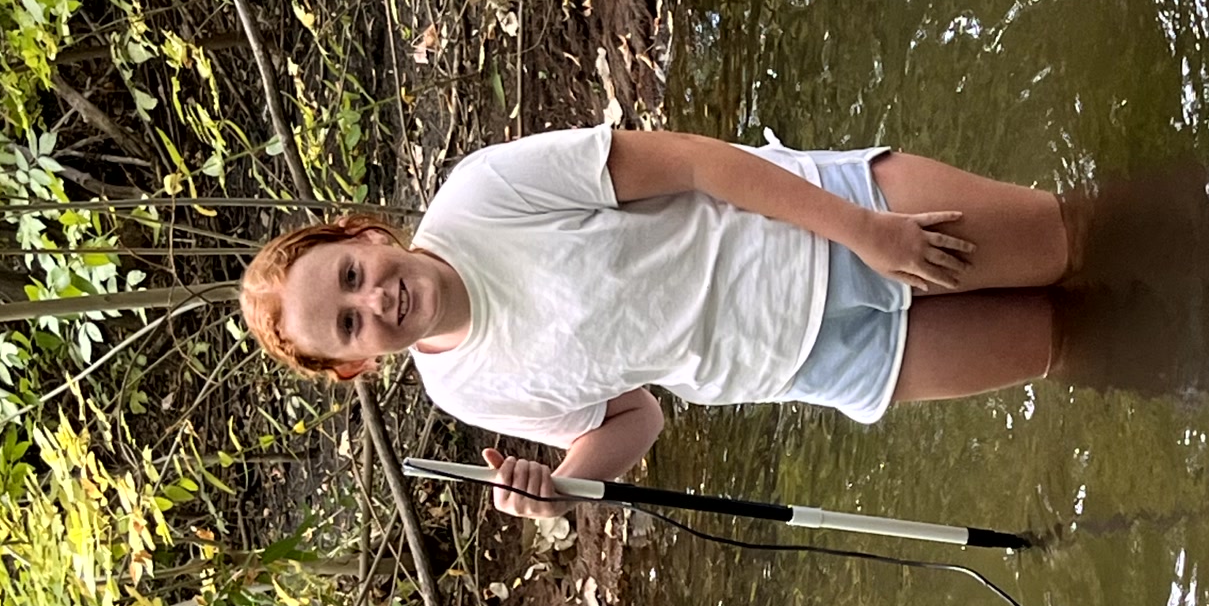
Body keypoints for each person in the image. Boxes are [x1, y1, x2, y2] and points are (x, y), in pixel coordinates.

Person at [238, 128, 1071, 516]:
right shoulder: (464, 389)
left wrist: (866, 231)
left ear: (363, 235)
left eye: (351, 275)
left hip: (832, 228)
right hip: (813, 362)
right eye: (348, 325)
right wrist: (560, 486)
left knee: (1075, 246)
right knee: (1060, 341)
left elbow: (693, 163)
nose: (375, 300)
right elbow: (635, 416)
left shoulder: (483, 192)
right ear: (356, 367)